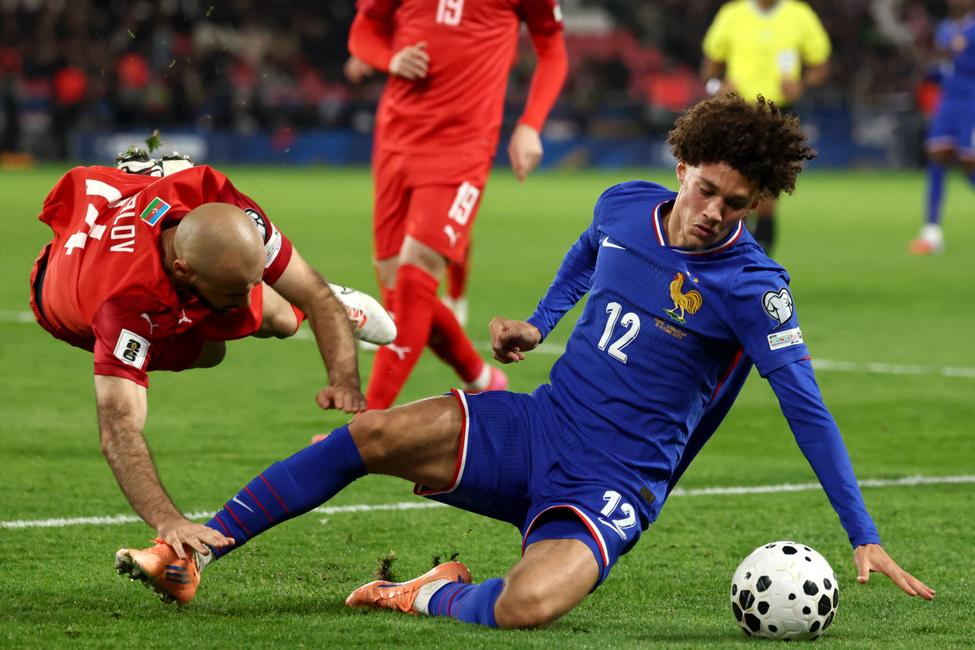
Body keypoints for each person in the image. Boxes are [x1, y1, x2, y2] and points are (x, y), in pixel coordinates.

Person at [116, 96, 934, 624]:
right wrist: (541, 326)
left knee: (527, 607)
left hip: (615, 482)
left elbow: (805, 405)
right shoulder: (624, 202)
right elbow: (589, 251)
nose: (713, 214)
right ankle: (195, 549)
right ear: (681, 165)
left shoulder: (755, 288)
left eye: (736, 204)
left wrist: (859, 533)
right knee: (370, 439)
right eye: (706, 190)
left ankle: (430, 591)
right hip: (538, 425)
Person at [29, 159, 393, 557]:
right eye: (237, 291)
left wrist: (343, 378)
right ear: (184, 272)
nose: (246, 296)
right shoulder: (123, 309)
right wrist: (169, 519)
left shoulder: (215, 195)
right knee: (211, 352)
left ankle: (327, 302)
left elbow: (311, 292)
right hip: (68, 304)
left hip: (137, 221)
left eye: (255, 281)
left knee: (284, 319)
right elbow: (119, 429)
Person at [347, 0, 569, 408]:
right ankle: (482, 378)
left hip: (462, 147)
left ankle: (365, 424)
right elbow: (364, 29)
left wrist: (530, 124)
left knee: (415, 282)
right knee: (401, 294)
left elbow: (552, 47)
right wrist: (388, 57)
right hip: (396, 138)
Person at [701, 0, 830, 255]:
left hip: (779, 113)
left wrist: (801, 84)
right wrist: (718, 86)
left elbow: (820, 67)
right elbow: (710, 67)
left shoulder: (799, 15)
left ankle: (759, 260)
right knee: (733, 184)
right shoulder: (733, 14)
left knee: (768, 191)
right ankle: (733, 253)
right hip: (738, 110)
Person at [909, 0, 975, 255]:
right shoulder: (946, 28)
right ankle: (931, 233)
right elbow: (944, 67)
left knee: (968, 163)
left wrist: (956, 55)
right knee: (937, 157)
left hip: (971, 102)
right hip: (948, 101)